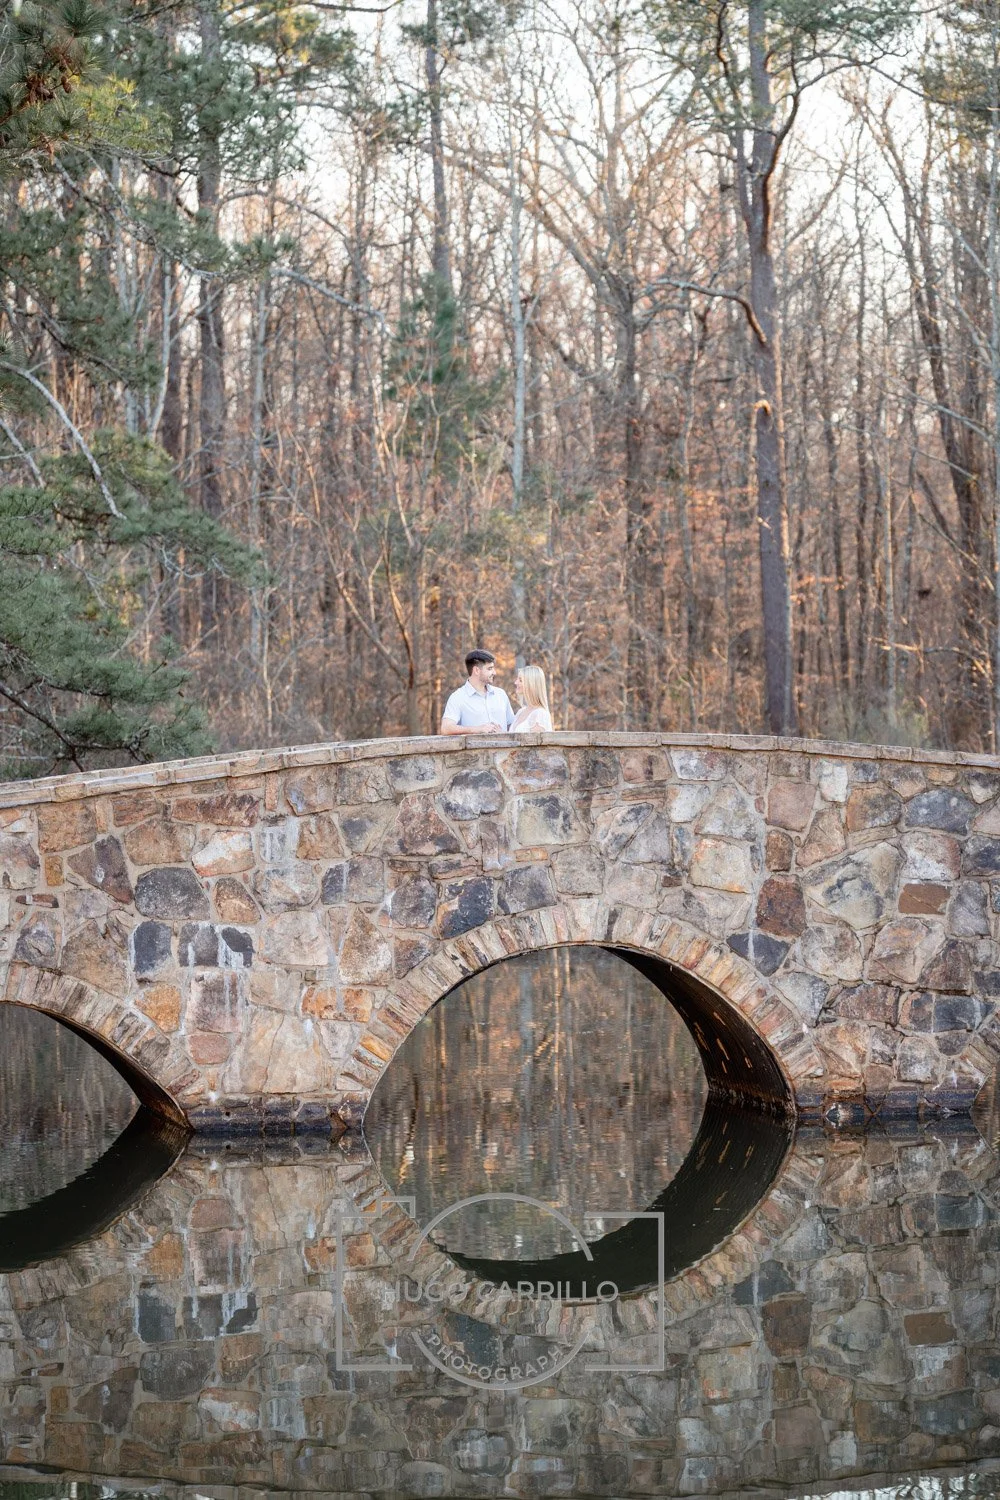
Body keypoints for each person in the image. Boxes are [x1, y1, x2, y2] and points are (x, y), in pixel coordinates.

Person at [439, 649, 515, 735]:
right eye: (490, 669)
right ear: (476, 670)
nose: (494, 672)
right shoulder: (458, 697)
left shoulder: (501, 694)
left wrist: (503, 733)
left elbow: (512, 725)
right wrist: (477, 729)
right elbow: (446, 728)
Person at [510, 664, 553, 732]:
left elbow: (534, 742)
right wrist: (501, 733)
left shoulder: (540, 714)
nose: (516, 682)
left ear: (531, 685)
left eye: (520, 680)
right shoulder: (521, 712)